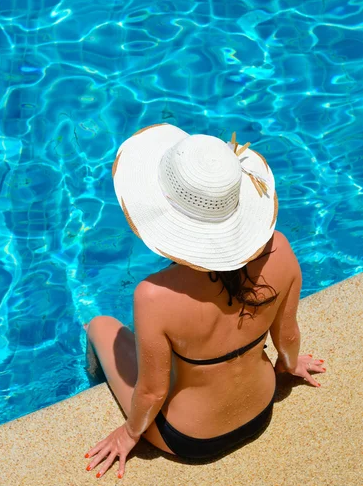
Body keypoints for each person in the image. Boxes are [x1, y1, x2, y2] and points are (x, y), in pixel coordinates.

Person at [83, 123, 326, 479]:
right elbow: (287, 337)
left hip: (189, 438)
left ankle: (90, 378)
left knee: (100, 325)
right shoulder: (283, 252)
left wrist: (128, 433)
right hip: (262, 407)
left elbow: (152, 392)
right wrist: (289, 366)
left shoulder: (154, 295)